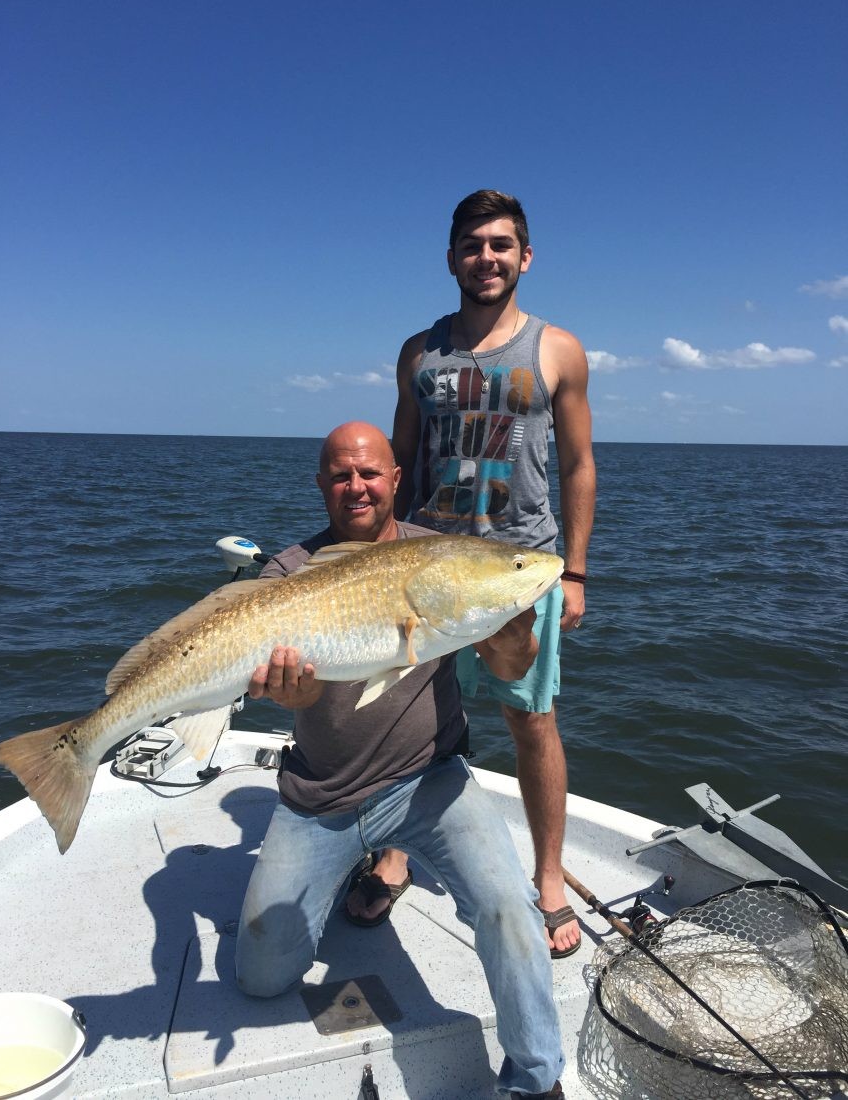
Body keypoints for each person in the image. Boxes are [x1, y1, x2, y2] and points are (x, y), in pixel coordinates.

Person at [235, 421, 565, 1099]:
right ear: (323, 484)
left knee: (509, 908)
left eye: (369, 473)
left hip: (428, 781)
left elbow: (509, 660)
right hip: (319, 794)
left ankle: (536, 1081)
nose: (356, 486)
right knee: (261, 976)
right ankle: (363, 863)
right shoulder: (287, 571)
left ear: (394, 479)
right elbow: (279, 694)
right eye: (340, 474)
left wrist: (510, 622)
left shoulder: (441, 559)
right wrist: (286, 693)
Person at [373, 190, 596, 960]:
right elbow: (400, 464)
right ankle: (397, 853)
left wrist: (572, 572)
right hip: (425, 574)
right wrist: (376, 561)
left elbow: (578, 464)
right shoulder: (417, 352)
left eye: (501, 245)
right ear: (451, 259)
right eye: (472, 245)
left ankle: (549, 878)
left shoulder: (557, 349)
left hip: (516, 569)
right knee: (407, 725)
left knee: (531, 722)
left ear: (524, 256)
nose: (486, 257)